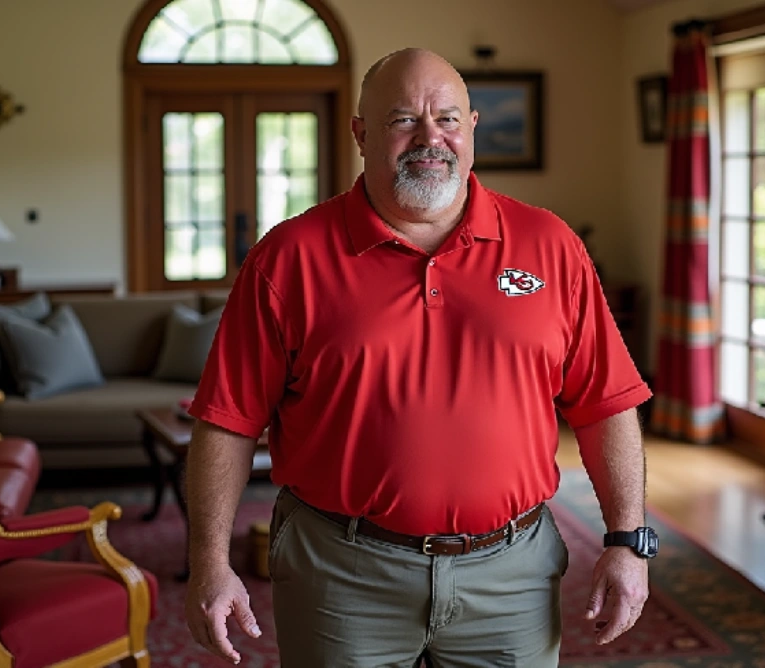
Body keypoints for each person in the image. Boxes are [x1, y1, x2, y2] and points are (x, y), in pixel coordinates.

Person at [184, 47, 654, 667]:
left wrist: (627, 542)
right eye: (404, 119)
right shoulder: (288, 257)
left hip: (512, 573)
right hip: (341, 574)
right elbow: (228, 419)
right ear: (360, 134)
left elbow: (606, 403)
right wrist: (209, 564)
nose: (430, 138)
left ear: (472, 128)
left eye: (449, 119)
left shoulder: (550, 245)